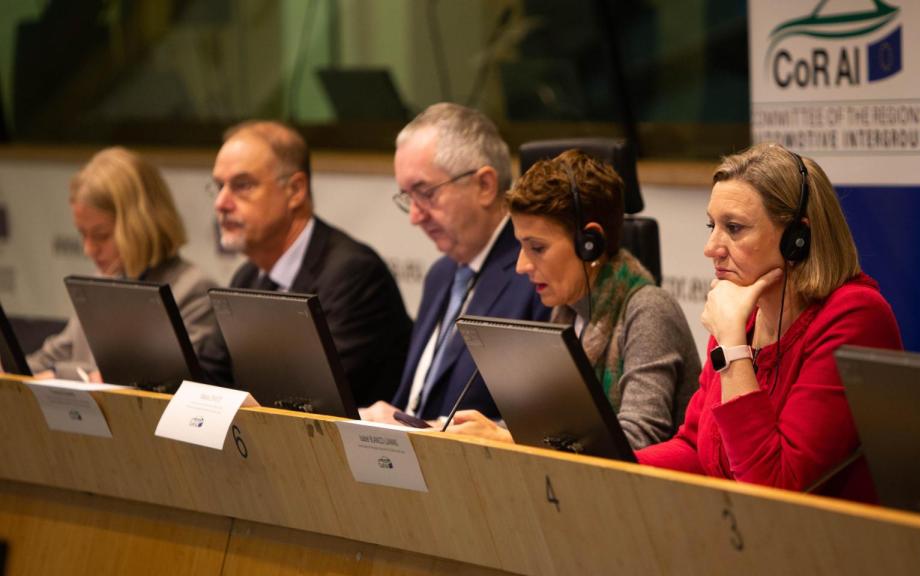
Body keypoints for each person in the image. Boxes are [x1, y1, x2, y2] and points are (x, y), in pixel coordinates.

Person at [636, 143, 903, 502]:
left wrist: (732, 349)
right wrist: (609, 466)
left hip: (832, 547)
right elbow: (696, 449)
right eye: (711, 225)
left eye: (734, 228)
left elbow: (776, 490)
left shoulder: (855, 317)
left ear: (798, 239)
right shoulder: (742, 315)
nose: (711, 247)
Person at [446, 150, 701, 449]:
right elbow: (544, 425)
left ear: (589, 244)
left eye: (537, 248)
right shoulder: (566, 311)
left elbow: (636, 441)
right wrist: (456, 428)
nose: (521, 266)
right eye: (521, 246)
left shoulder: (648, 311)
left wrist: (509, 439)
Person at [360, 103, 548, 424]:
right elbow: (414, 401)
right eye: (408, 198)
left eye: (425, 193)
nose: (415, 216)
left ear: (485, 185)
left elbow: (541, 425)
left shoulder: (535, 277)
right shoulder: (441, 274)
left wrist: (429, 434)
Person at [211, 120, 411, 404]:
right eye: (219, 186)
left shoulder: (353, 274)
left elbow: (315, 396)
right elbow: (208, 375)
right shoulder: (247, 277)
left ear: (295, 190)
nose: (221, 202)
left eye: (242, 186)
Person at [28, 147, 222, 382]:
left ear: (142, 225)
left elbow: (160, 383)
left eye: (101, 235)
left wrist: (62, 374)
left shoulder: (193, 290)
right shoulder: (101, 282)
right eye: (83, 234)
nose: (89, 249)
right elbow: (51, 356)